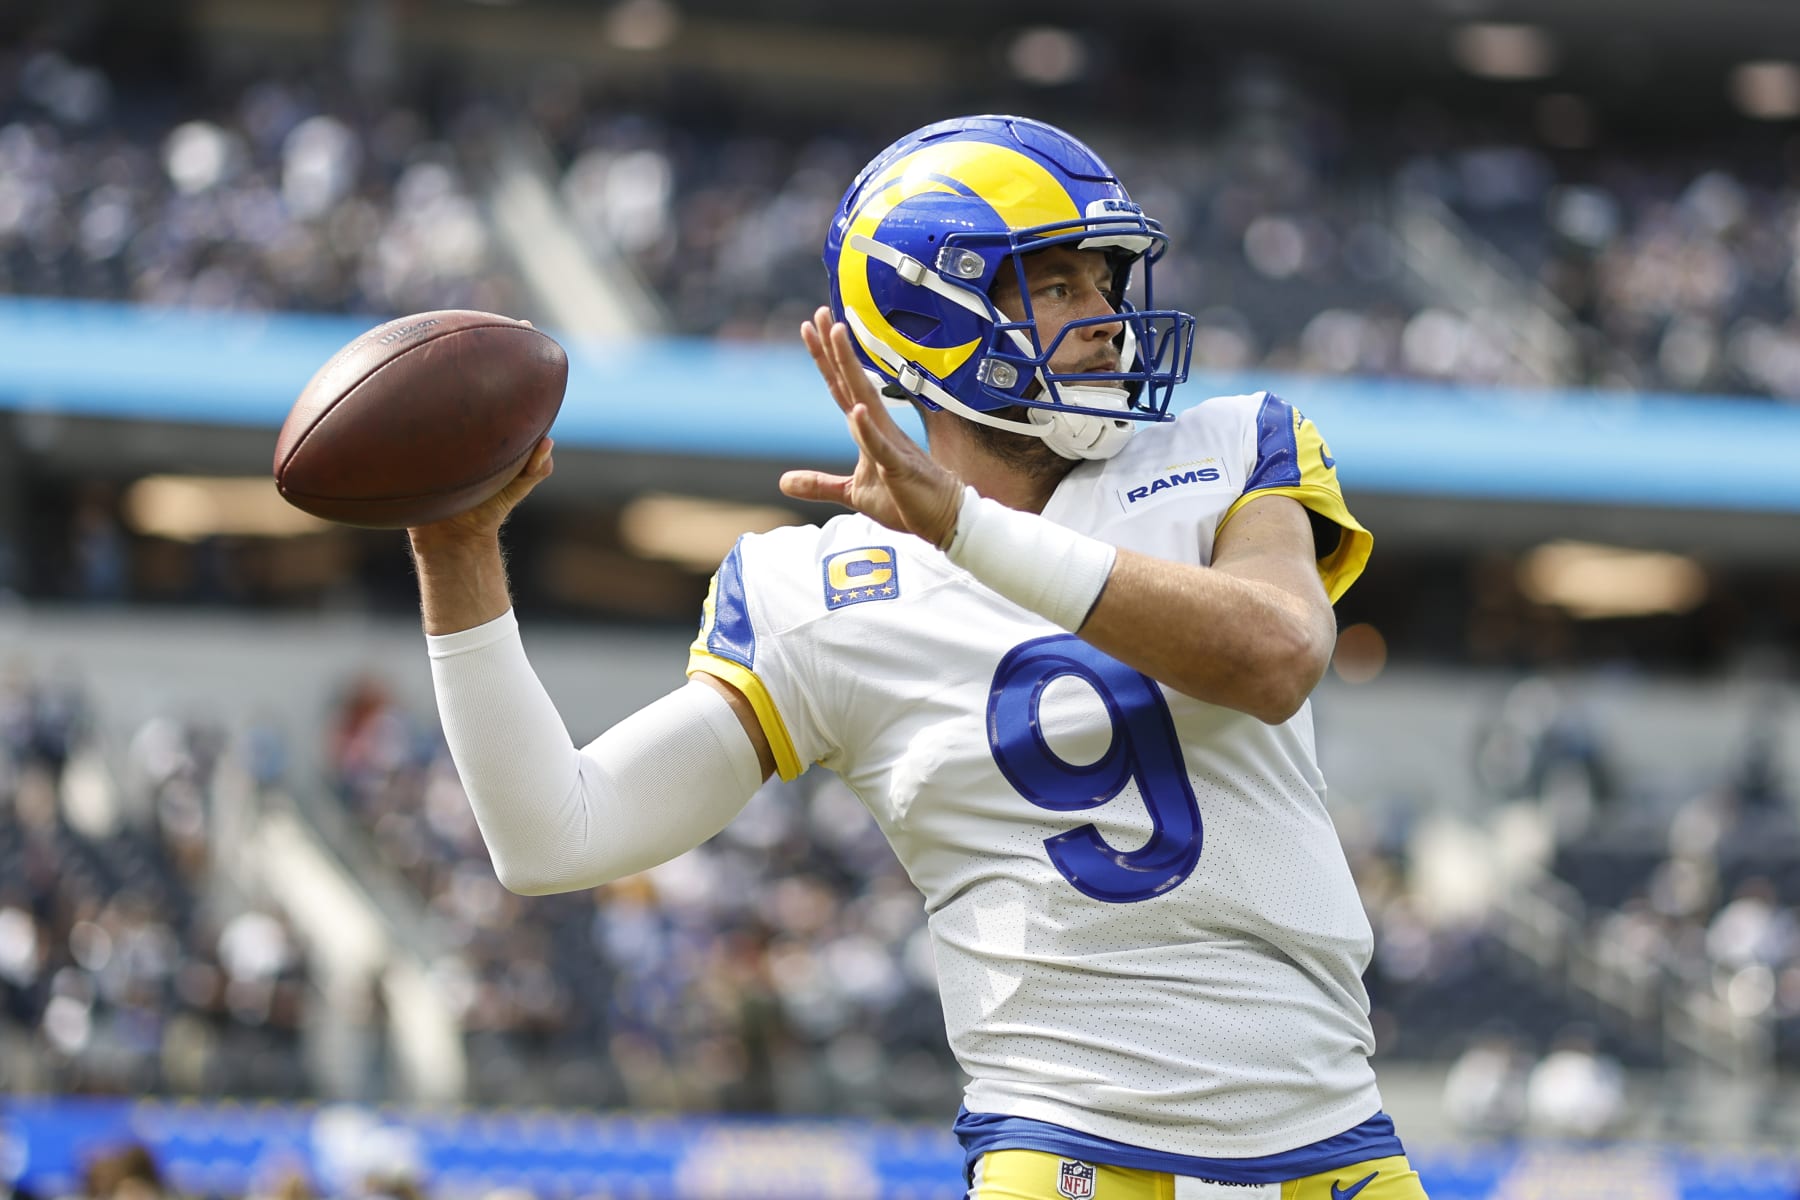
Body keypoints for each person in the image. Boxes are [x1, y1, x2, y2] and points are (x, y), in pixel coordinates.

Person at [408, 115, 1426, 1200]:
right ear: (929, 310)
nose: (1106, 322)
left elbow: (1275, 656)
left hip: (1338, 1148)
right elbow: (553, 834)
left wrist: (964, 531)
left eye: (1105, 283)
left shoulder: (1229, 449)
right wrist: (456, 549)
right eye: (1057, 285)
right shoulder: (819, 592)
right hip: (1074, 1158)